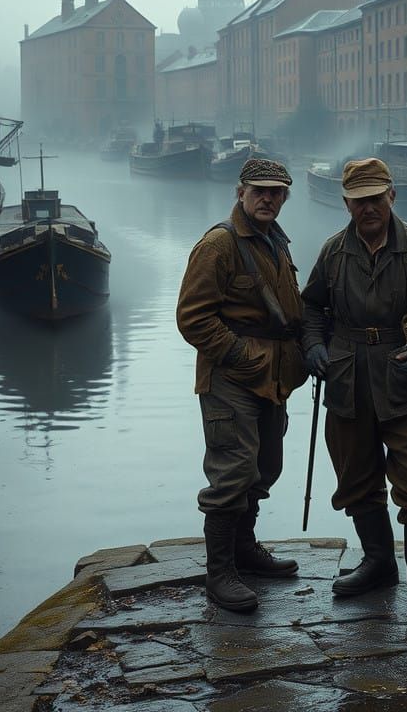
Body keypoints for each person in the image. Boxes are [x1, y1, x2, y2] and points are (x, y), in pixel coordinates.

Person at [301, 157, 407, 614]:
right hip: (348, 380)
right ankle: (378, 563)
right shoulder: (333, 253)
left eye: (376, 198)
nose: (369, 208)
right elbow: (311, 308)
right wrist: (314, 346)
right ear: (346, 204)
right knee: (357, 479)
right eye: (359, 201)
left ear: (391, 197)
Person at [176, 157, 309, 613]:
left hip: (273, 377)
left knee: (265, 467)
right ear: (241, 193)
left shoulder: (276, 242)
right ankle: (221, 573)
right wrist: (239, 355)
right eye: (260, 191)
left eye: (277, 192)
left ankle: (246, 550)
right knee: (231, 473)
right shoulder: (219, 244)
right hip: (232, 377)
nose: (268, 198)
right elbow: (193, 318)